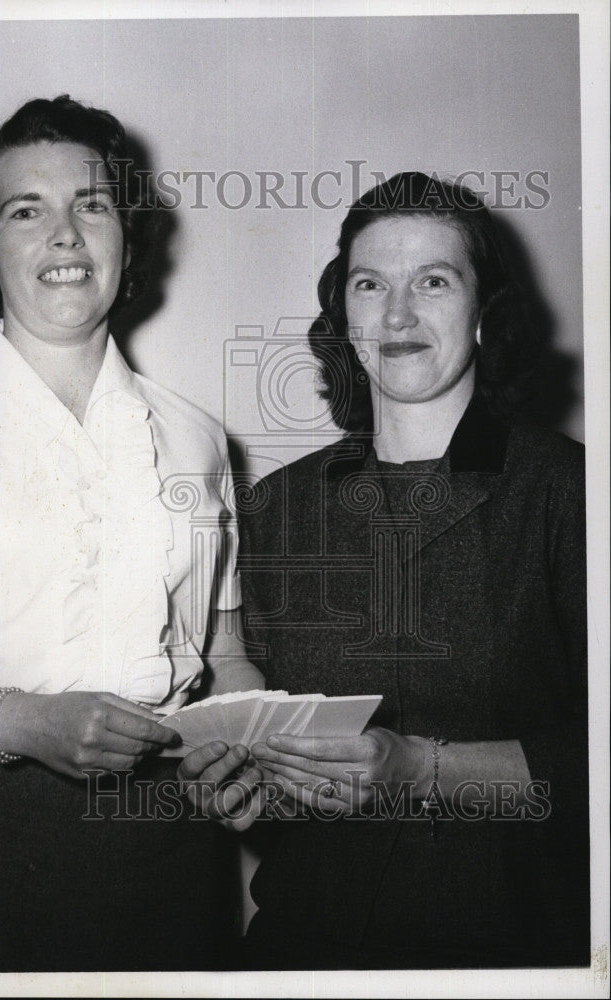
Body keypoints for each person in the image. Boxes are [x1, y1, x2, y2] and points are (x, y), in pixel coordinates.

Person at [0, 95, 263, 973]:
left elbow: (226, 653)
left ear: (125, 239)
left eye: (91, 204)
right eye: (27, 210)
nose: (65, 234)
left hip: (166, 848)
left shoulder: (197, 437)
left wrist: (239, 743)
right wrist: (16, 722)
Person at [232, 172, 589, 969]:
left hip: (512, 951)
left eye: (432, 280)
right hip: (300, 950)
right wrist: (235, 782)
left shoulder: (569, 494)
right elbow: (254, 734)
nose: (396, 314)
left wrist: (418, 768)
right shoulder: (277, 508)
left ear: (485, 310)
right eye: (369, 284)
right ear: (342, 313)